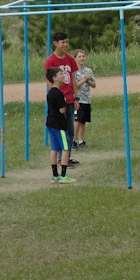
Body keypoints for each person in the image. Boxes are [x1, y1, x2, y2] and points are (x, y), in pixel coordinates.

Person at [44, 31, 79, 166]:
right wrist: (53, 97)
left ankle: (66, 157)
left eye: (67, 42)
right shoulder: (51, 61)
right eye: (62, 42)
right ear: (55, 43)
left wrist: (76, 97)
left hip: (70, 100)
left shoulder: (70, 59)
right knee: (60, 129)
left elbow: (74, 79)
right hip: (58, 101)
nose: (65, 45)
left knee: (70, 129)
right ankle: (60, 158)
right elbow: (49, 81)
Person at [45, 67, 75, 183]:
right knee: (66, 148)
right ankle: (63, 175)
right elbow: (62, 110)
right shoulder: (58, 93)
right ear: (55, 78)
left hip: (51, 123)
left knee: (54, 149)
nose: (63, 75)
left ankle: (55, 175)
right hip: (59, 125)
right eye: (61, 74)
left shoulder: (50, 92)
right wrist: (65, 104)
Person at [73, 49, 96, 148]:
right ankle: (74, 139)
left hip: (86, 99)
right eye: (79, 56)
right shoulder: (74, 72)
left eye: (83, 56)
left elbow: (94, 84)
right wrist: (84, 80)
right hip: (78, 99)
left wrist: (88, 81)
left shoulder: (88, 71)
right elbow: (75, 85)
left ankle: (81, 140)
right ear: (75, 59)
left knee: (83, 120)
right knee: (77, 120)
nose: (82, 58)